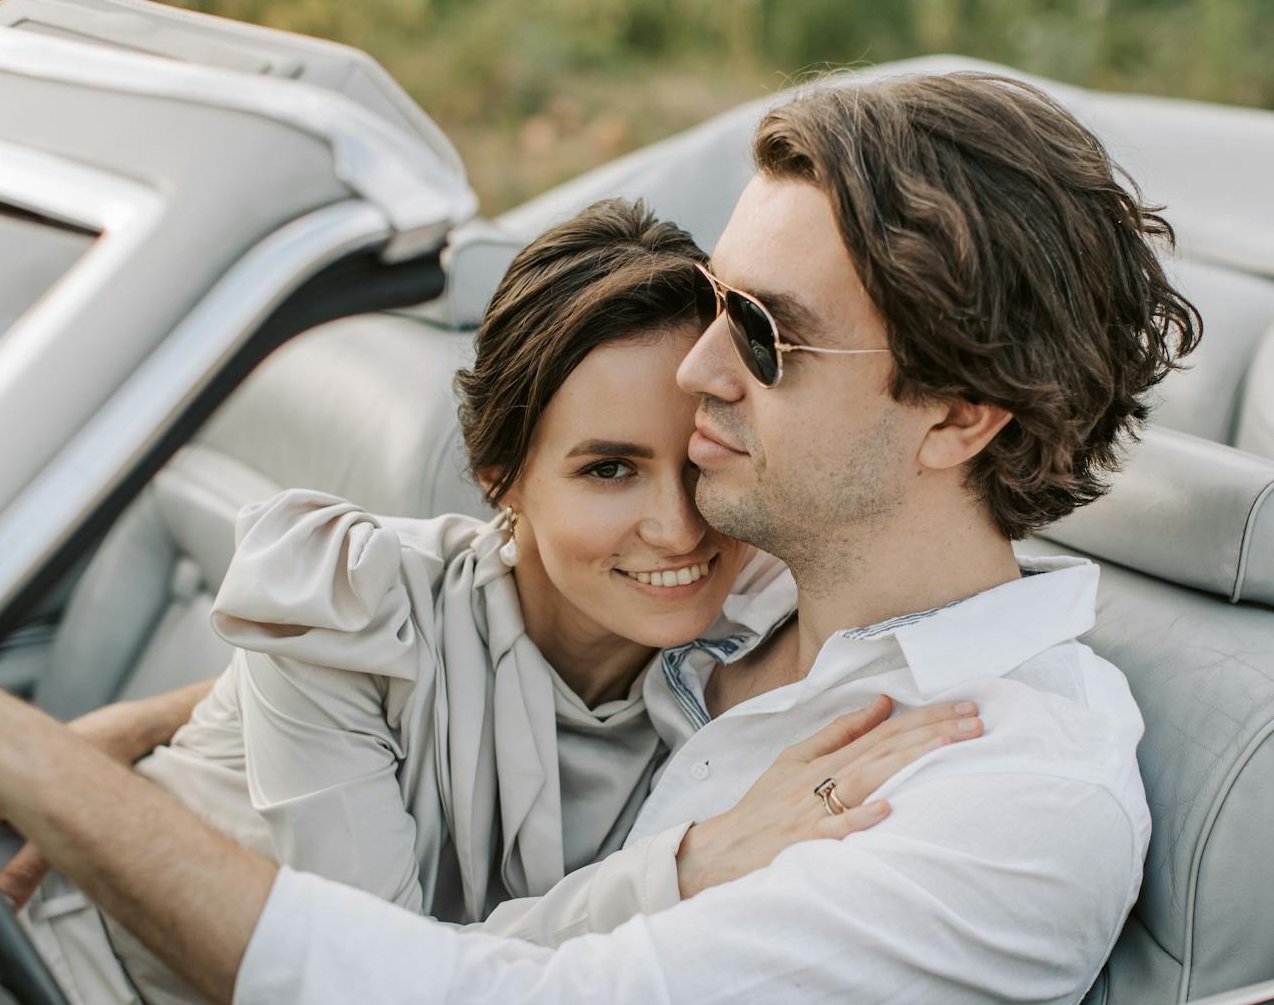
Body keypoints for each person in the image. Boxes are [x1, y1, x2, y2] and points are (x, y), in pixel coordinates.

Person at [0, 69, 1201, 1004]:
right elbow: (454, 627)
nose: (696, 367)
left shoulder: (1002, 796)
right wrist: (153, 721)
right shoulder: (750, 579)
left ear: (954, 416)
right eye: (716, 305)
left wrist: (29, 761)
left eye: (765, 334)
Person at [2, 198, 973, 1004]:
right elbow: (362, 976)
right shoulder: (340, 597)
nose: (677, 531)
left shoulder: (754, 639)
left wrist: (151, 717)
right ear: (501, 473)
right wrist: (684, 869)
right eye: (607, 470)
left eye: (698, 463)